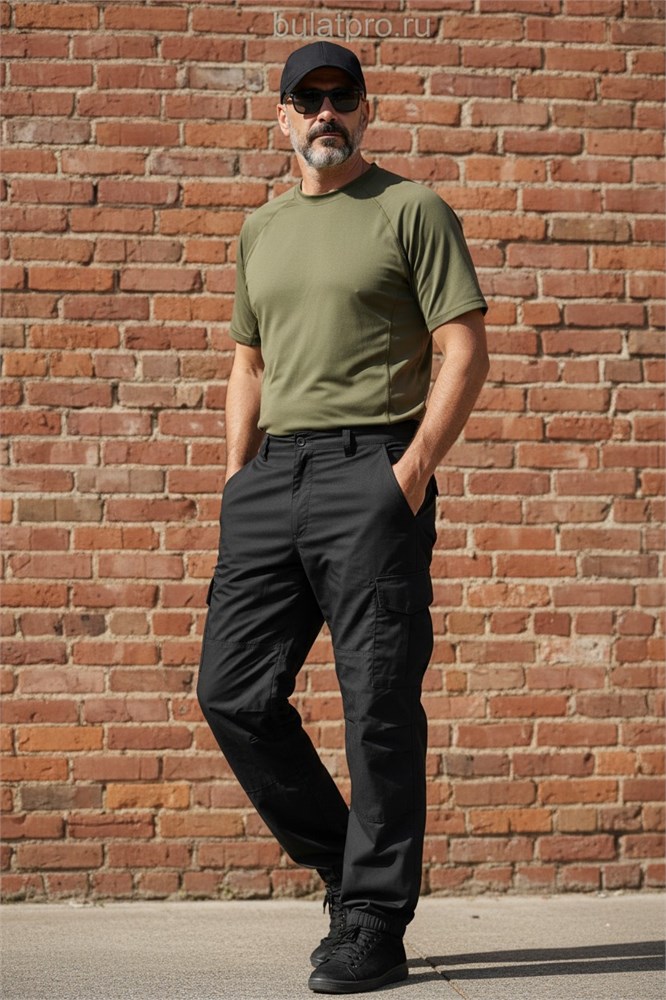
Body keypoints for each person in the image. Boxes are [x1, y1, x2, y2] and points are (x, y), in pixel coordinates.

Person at [197, 40, 489, 995]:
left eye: (342, 96)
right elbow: (248, 362)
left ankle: (373, 922)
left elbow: (463, 348)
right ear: (281, 116)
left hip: (373, 466)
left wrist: (411, 472)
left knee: (378, 706)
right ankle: (344, 864)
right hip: (271, 477)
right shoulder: (261, 229)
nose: (326, 112)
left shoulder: (411, 209)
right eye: (308, 98)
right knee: (232, 694)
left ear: (366, 111)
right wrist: (236, 479)